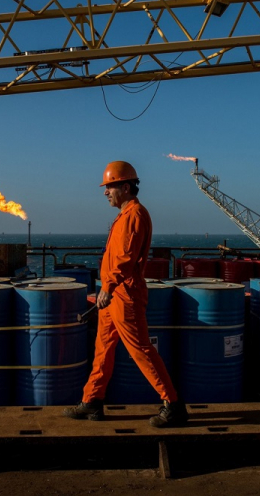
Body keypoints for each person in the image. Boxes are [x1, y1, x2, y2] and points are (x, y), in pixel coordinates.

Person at [63, 161, 188, 428]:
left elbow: (125, 258)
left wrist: (108, 287)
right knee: (103, 349)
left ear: (126, 187)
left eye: (110, 187)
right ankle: (92, 400)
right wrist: (107, 288)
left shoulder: (134, 215)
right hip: (113, 294)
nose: (105, 192)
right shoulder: (125, 215)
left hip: (124, 294)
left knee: (141, 350)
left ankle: (173, 404)